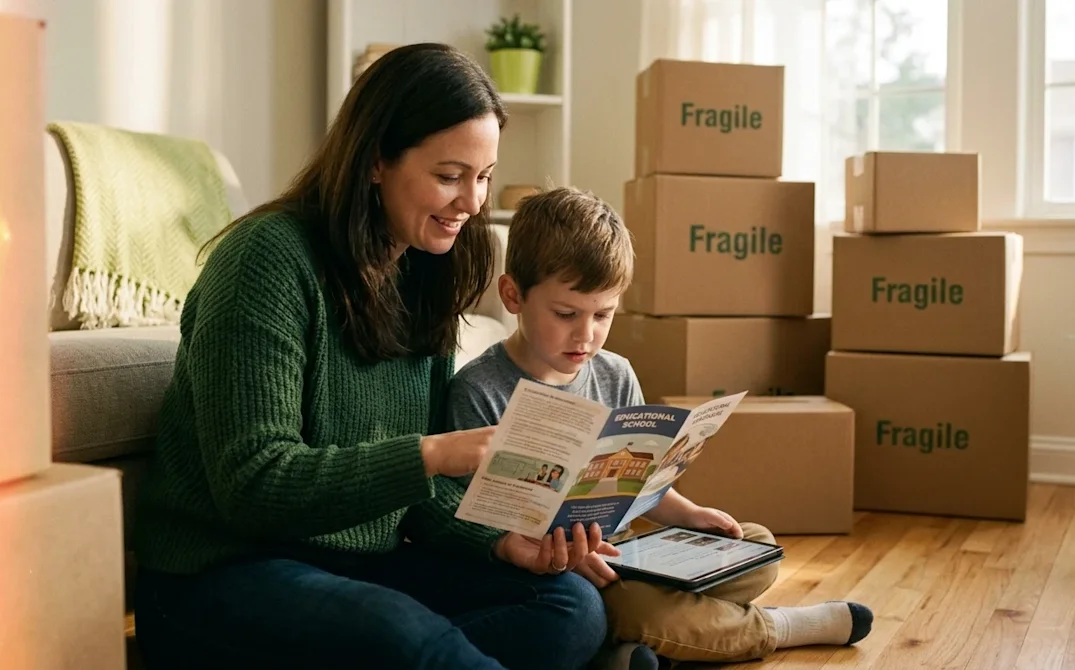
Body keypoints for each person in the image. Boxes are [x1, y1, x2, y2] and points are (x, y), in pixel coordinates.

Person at [131, 43, 615, 670]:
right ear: (376, 161)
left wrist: (501, 545)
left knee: (571, 608)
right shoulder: (265, 261)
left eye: (485, 176)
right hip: (220, 576)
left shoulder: (425, 272)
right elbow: (254, 484)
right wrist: (434, 453)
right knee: (403, 638)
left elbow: (422, 505)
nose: (473, 203)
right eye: (449, 176)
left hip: (363, 567)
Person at [445, 187, 875, 667]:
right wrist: (550, 550)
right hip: (555, 572)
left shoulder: (615, 373)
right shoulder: (479, 390)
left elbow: (637, 484)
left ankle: (634, 645)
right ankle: (778, 626)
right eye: (566, 314)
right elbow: (469, 522)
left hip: (629, 550)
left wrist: (688, 514)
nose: (585, 334)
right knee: (629, 603)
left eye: (603, 315)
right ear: (513, 296)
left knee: (754, 544)